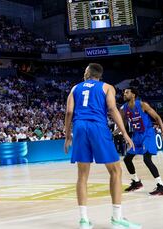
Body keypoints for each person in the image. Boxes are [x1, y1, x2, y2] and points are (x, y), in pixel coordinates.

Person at [64, 63, 140, 229]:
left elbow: (69, 112)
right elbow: (112, 109)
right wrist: (125, 133)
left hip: (79, 128)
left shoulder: (75, 88)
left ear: (89, 73)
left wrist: (67, 135)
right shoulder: (107, 87)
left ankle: (84, 220)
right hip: (97, 127)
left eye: (85, 70)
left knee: (82, 175)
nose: (84, 72)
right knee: (116, 171)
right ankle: (116, 218)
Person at [120, 87, 163, 195]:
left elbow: (157, 117)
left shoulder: (142, 105)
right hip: (136, 135)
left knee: (147, 159)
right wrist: (114, 132)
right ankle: (136, 182)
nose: (124, 94)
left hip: (147, 133)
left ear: (133, 95)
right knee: (127, 159)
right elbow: (122, 124)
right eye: (124, 92)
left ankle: (161, 186)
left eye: (127, 92)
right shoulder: (124, 108)